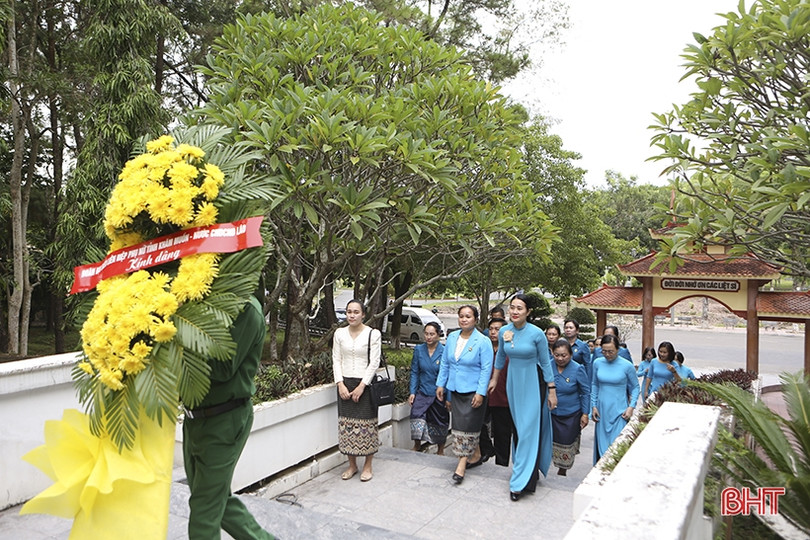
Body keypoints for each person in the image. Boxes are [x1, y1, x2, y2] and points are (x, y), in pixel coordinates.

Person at [182, 295, 274, 539]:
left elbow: (222, 366)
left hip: (224, 418)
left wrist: (177, 336)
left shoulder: (245, 309)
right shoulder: (199, 301)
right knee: (214, 499)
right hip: (194, 419)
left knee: (204, 508)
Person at [488, 294, 557, 501]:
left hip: (533, 383)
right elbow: (500, 357)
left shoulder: (537, 334)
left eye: (520, 308)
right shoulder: (504, 331)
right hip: (513, 383)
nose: (515, 311)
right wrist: (494, 379)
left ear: (528, 312)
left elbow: (546, 363)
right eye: (512, 307)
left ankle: (519, 482)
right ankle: (526, 470)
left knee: (528, 430)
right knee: (519, 428)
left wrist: (552, 389)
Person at [436, 305, 493, 484]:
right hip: (456, 390)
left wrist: (481, 392)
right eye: (461, 316)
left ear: (475, 319)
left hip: (474, 391)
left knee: (469, 427)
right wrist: (441, 384)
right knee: (459, 427)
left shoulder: (483, 341)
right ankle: (475, 454)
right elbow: (445, 363)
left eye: (468, 316)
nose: (464, 319)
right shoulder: (452, 337)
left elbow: (486, 369)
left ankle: (461, 465)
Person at [332, 299, 381, 482]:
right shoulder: (339, 333)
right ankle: (352, 465)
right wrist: (340, 383)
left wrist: (362, 385)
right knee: (347, 426)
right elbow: (336, 359)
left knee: (367, 426)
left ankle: (368, 465)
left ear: (363, 314)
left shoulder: (372, 334)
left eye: (356, 312)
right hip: (345, 384)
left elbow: (374, 362)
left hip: (365, 385)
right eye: (349, 312)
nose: (351, 315)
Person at [591, 334, 639, 464]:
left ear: (618, 349)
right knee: (602, 448)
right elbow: (594, 384)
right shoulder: (597, 363)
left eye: (610, 351)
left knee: (616, 446)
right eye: (604, 351)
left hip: (620, 411)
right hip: (602, 412)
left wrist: (631, 407)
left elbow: (635, 387)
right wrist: (593, 405)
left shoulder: (627, 366)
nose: (607, 354)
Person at [550, 339, 590, 476]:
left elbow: (585, 392)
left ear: (571, 355)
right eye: (557, 355)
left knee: (566, 442)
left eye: (564, 355)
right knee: (550, 440)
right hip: (551, 412)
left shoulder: (578, 369)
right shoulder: (547, 366)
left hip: (571, 413)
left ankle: (563, 469)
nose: (560, 358)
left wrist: (585, 413)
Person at [408, 322, 449, 454]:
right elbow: (415, 372)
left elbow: (448, 374)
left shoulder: (444, 351)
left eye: (432, 334)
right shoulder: (419, 350)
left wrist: (448, 397)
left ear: (438, 335)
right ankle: (417, 444)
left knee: (439, 420)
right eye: (426, 334)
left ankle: (440, 449)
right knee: (416, 414)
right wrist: (412, 392)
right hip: (423, 390)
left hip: (439, 392)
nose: (429, 337)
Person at [484, 317, 514, 466]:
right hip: (484, 395)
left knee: (502, 434)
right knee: (477, 424)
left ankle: (501, 464)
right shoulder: (484, 347)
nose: (493, 332)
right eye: (491, 329)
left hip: (504, 398)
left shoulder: (510, 349)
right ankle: (487, 448)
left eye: (497, 329)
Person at [563, 319, 592, 383]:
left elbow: (587, 365)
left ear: (577, 331)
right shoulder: (561, 344)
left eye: (571, 328)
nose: (568, 330)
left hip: (578, 377)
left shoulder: (583, 346)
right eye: (566, 328)